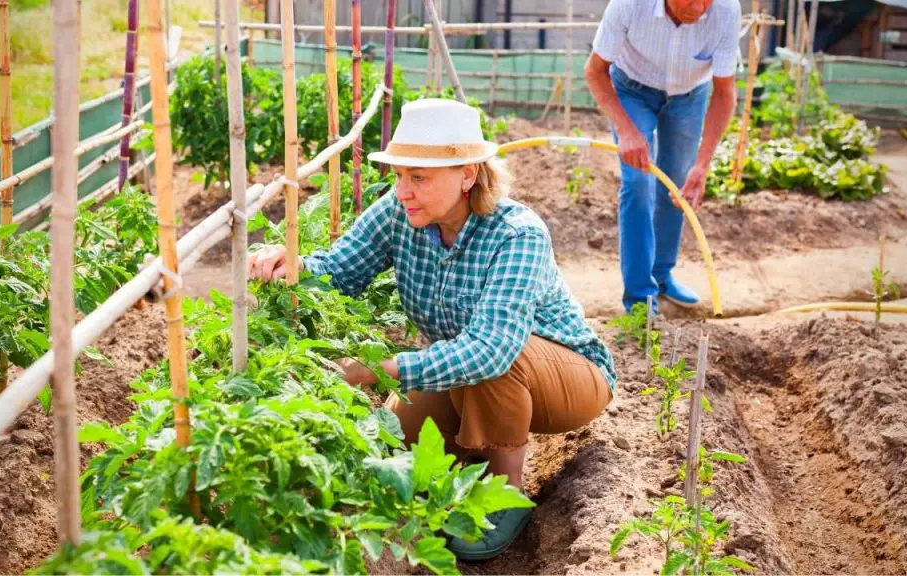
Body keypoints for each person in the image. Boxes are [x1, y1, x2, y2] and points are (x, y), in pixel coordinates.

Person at [248, 98, 617, 561]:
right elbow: (341, 269)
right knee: (395, 453)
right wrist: (295, 266)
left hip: (566, 379)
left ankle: (506, 491)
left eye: (419, 177)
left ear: (467, 174)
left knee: (495, 355)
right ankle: (472, 457)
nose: (403, 189)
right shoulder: (400, 211)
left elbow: (491, 350)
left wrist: (376, 369)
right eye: (400, 174)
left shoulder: (517, 234)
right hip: (469, 373)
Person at [584, 0, 740, 313]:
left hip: (688, 97)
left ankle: (661, 274)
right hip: (631, 90)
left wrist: (703, 165)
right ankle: (640, 298)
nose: (699, 7)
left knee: (678, 185)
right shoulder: (629, 5)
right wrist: (627, 132)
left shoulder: (725, 10)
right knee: (638, 183)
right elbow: (595, 71)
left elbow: (724, 92)